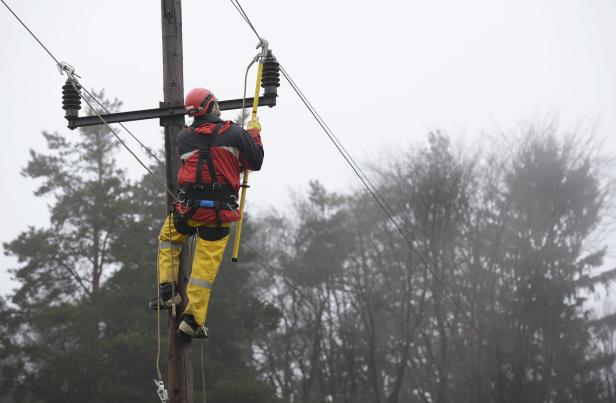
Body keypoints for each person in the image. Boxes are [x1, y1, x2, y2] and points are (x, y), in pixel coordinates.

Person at [150, 87, 264, 338]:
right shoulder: (235, 133)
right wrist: (253, 132)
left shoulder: (184, 138)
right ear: (211, 106)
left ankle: (168, 291)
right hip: (219, 214)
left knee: (168, 239)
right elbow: (253, 162)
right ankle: (191, 321)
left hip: (189, 209)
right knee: (204, 270)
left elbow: (208, 158)